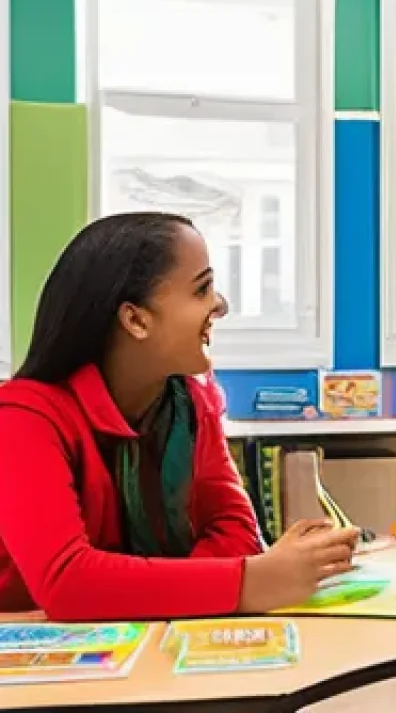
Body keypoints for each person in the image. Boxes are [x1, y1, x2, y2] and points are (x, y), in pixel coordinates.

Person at [0, 211, 359, 621]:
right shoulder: (23, 419)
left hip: (143, 641)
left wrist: (226, 581)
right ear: (136, 319)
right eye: (202, 289)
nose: (219, 305)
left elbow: (235, 530)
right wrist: (249, 582)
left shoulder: (193, 400)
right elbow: (66, 584)